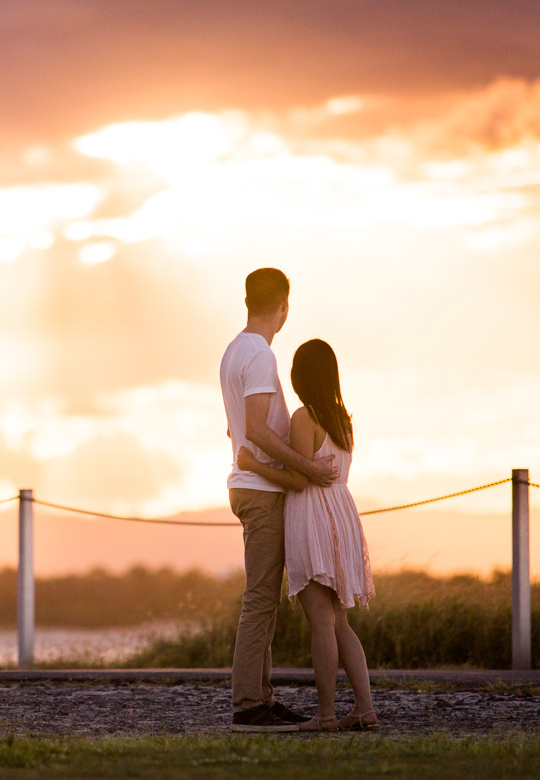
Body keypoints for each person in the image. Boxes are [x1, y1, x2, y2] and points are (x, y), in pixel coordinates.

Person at [219, 268, 339, 733]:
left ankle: (261, 698)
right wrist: (307, 468)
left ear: (248, 300)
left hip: (248, 483)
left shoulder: (235, 351)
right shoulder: (261, 355)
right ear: (283, 305)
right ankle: (249, 705)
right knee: (260, 599)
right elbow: (254, 428)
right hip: (261, 492)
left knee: (264, 598)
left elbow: (238, 427)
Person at [237, 338, 378, 732]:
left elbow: (299, 480)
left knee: (320, 620)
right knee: (340, 622)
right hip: (343, 514)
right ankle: (364, 709)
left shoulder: (305, 417)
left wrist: (253, 462)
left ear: (300, 377)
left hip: (314, 518)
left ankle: (327, 715)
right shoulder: (342, 418)